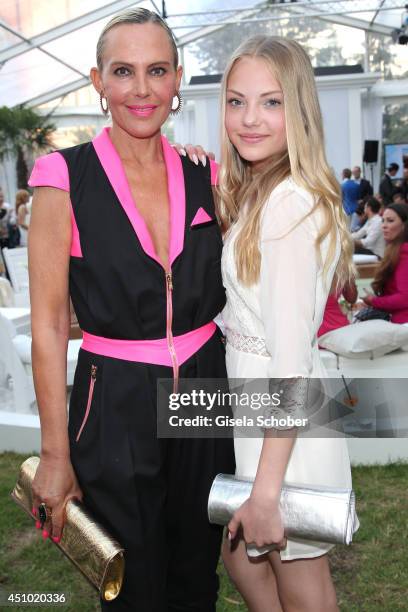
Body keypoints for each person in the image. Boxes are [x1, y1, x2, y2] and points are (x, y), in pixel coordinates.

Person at [28, 8, 234, 611]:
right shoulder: (61, 177)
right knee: (131, 585)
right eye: (123, 71)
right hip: (112, 397)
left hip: (203, 388)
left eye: (157, 71)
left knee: (198, 573)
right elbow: (46, 323)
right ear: (98, 81)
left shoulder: (208, 176)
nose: (141, 90)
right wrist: (54, 454)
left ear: (177, 82)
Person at [216, 36, 356, 612]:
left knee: (302, 586)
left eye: (271, 103)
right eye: (236, 101)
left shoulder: (290, 205)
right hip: (261, 419)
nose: (249, 119)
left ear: (298, 110)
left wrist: (268, 489)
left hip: (283, 430)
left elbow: (292, 362)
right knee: (244, 561)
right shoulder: (264, 190)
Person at [363, 204, 408, 323]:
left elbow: (404, 298)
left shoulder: (404, 251)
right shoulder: (395, 250)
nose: (384, 225)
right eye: (383, 221)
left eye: (390, 221)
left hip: (401, 326)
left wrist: (374, 301)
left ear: (404, 225)